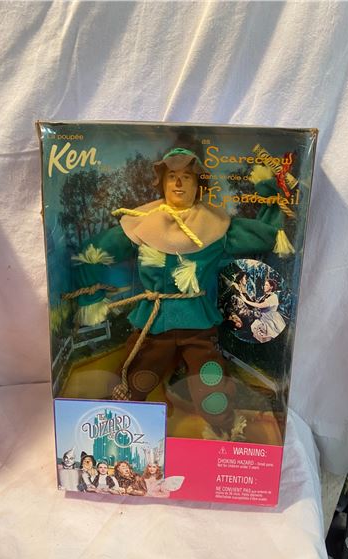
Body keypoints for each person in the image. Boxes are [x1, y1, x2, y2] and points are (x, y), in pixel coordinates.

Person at [70, 147, 294, 440]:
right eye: (172, 176)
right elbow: (92, 254)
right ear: (162, 182)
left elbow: (264, 234)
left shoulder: (215, 226)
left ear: (197, 183)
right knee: (135, 381)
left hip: (198, 325)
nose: (178, 182)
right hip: (153, 324)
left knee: (212, 388)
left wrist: (271, 191)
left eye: (186, 176)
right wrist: (91, 300)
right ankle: (115, 432)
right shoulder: (144, 223)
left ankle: (225, 434)